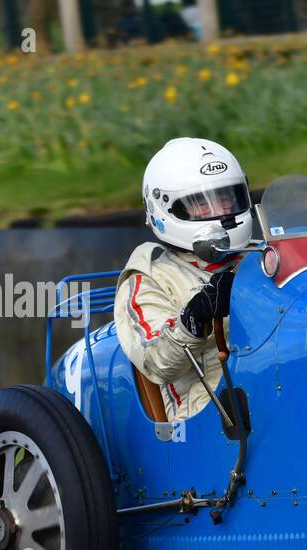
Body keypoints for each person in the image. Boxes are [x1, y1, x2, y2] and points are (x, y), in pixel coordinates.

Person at [115, 138, 253, 422]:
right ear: (165, 209)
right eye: (201, 202)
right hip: (208, 412)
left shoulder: (263, 255)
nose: (221, 210)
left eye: (227, 197)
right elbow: (157, 363)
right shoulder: (150, 275)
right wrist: (196, 314)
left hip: (274, 382)